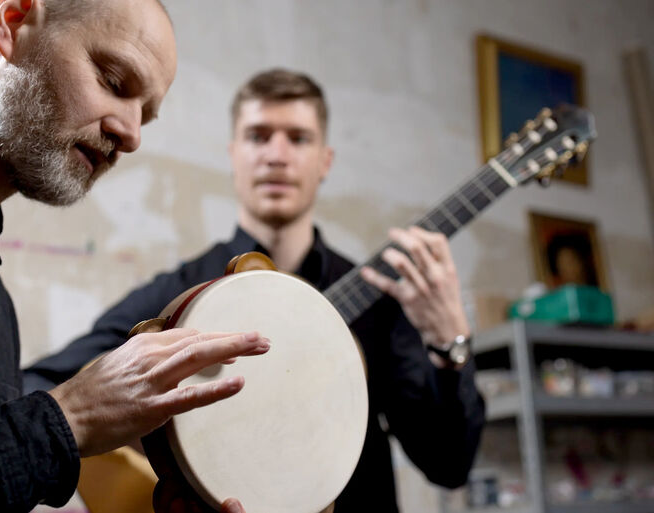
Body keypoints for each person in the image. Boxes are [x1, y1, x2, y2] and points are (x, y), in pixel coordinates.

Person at [25, 68, 487, 512]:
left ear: (325, 160)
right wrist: (142, 444)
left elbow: (449, 465)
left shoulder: (377, 298)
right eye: (259, 136)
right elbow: (42, 384)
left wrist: (451, 343)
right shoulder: (185, 290)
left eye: (298, 138)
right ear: (234, 154)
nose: (277, 154)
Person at [0, 1, 267, 512]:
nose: (131, 135)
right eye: (113, 80)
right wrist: (70, 419)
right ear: (13, 23)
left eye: (146, 117)